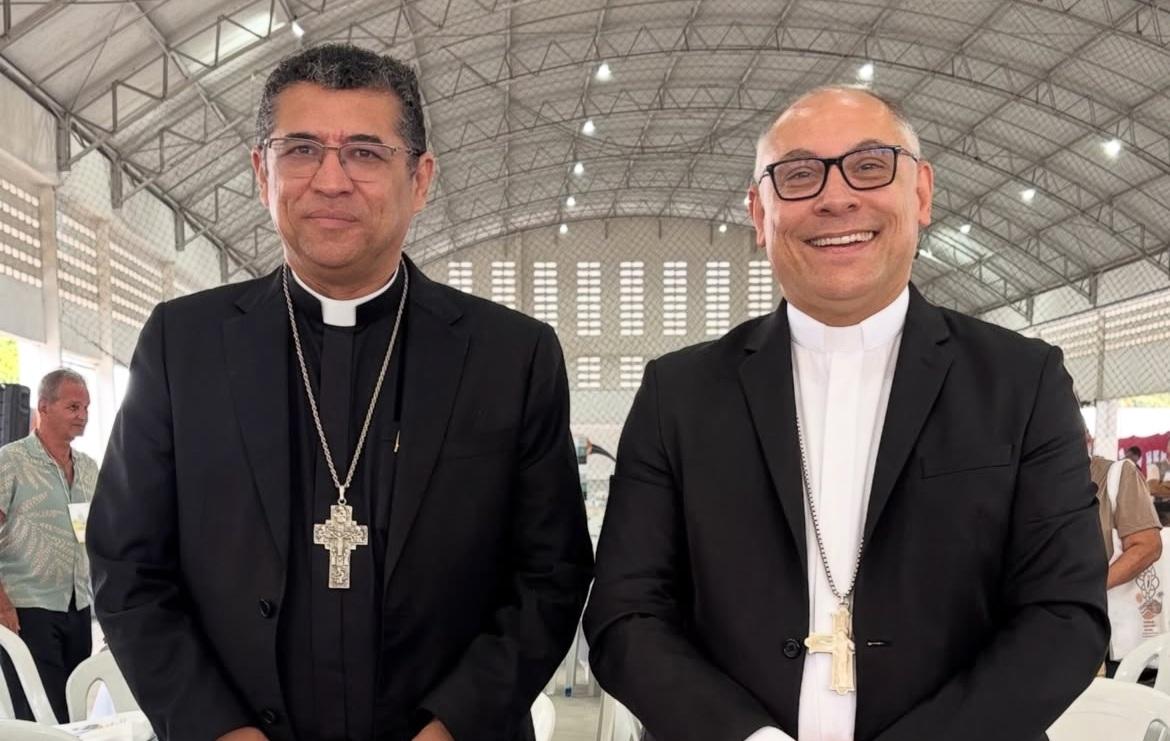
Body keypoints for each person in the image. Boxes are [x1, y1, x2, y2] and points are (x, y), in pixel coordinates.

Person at [87, 44, 593, 741]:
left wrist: (451, 727)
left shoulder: (511, 356)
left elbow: (551, 574)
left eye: (364, 151)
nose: (330, 179)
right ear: (262, 171)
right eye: (301, 149)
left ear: (420, 178)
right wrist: (219, 730)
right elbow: (127, 564)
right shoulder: (184, 345)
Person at [584, 86, 1108, 741]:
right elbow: (624, 615)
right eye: (799, 174)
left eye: (868, 165)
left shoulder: (1020, 381)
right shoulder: (681, 393)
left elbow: (1064, 616)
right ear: (759, 210)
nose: (836, 197)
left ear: (920, 192)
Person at [0, 369, 96, 722]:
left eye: (86, 407)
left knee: (75, 711)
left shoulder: (88, 469)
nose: (83, 416)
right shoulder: (11, 461)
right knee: (39, 715)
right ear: (44, 407)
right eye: (73, 406)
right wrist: (2, 604)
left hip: (78, 606)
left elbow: (101, 540)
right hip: (27, 609)